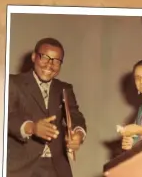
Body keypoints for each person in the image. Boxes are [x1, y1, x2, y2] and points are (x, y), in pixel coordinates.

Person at [7, 38, 87, 177]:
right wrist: (32, 128)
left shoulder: (64, 88)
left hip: (56, 168)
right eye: (45, 57)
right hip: (20, 168)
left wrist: (78, 134)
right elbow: (6, 117)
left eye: (56, 61)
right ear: (34, 57)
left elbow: (75, 116)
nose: (50, 65)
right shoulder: (13, 83)